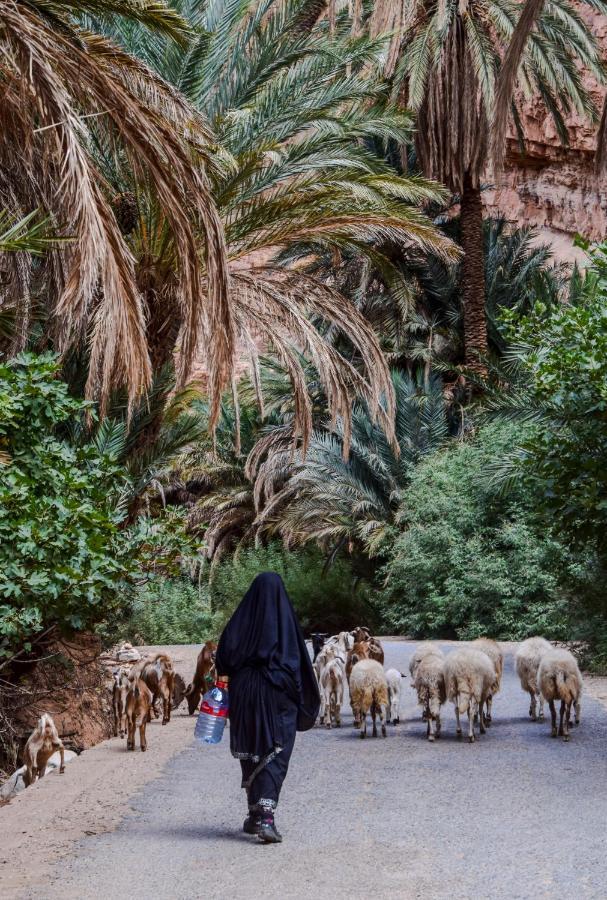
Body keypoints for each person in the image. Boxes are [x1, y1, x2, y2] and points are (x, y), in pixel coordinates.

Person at [215, 571, 320, 843]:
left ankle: (253, 814)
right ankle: (266, 818)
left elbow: (224, 656)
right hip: (277, 694)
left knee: (251, 749)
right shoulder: (285, 627)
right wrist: (301, 698)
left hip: (245, 693)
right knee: (276, 750)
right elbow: (299, 665)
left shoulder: (241, 622)